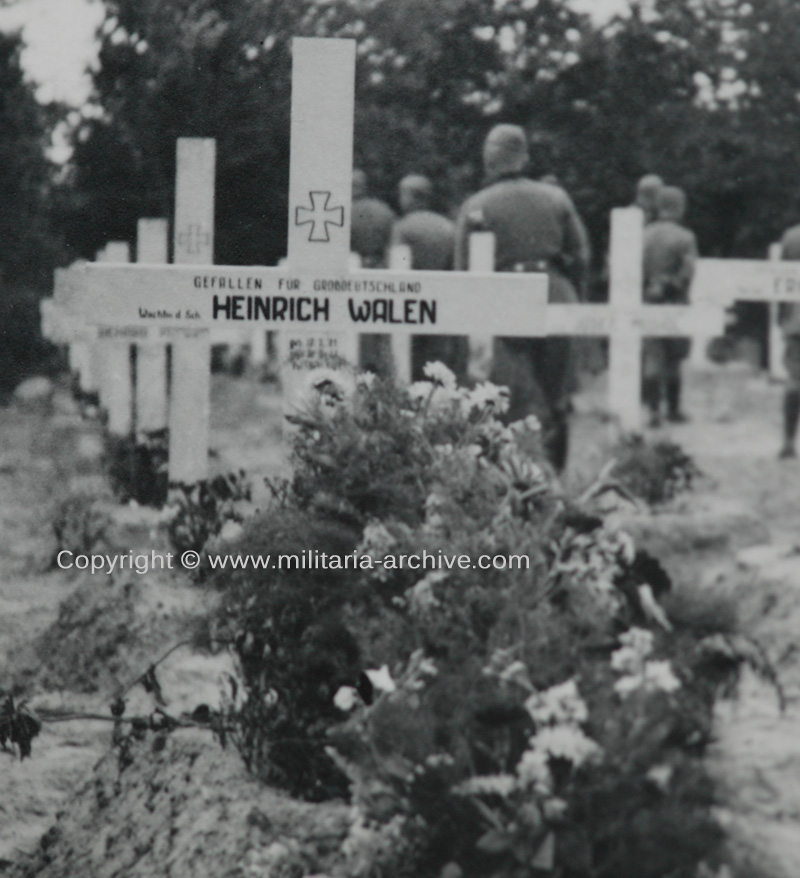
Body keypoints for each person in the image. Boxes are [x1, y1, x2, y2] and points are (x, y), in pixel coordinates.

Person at [454, 124, 591, 471]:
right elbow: (581, 257)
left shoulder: (475, 205)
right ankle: (554, 473)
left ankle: (509, 472)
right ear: (524, 158)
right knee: (556, 394)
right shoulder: (556, 198)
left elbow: (462, 272)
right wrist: (574, 296)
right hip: (555, 295)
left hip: (502, 301)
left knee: (503, 393)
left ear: (489, 160)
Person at [391, 174, 468, 381]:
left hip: (410, 300)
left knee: (409, 354)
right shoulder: (447, 226)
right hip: (441, 297)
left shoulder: (403, 226)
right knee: (437, 353)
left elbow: (396, 264)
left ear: (410, 197)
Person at [641, 186, 698, 426]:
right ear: (680, 207)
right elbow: (688, 270)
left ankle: (653, 410)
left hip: (647, 300)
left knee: (652, 356)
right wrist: (671, 285)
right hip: (674, 301)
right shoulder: (685, 237)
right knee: (674, 359)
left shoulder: (643, 234)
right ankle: (673, 409)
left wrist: (650, 287)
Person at [350, 169, 396, 374]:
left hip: (353, 271)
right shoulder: (384, 210)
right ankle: (381, 368)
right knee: (380, 321)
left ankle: (361, 367)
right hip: (380, 269)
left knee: (357, 321)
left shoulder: (341, 211)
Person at [777, 226, 800, 458]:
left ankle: (788, 441)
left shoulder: (792, 237)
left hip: (796, 319)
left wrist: (782, 317)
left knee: (795, 380)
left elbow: (781, 281)